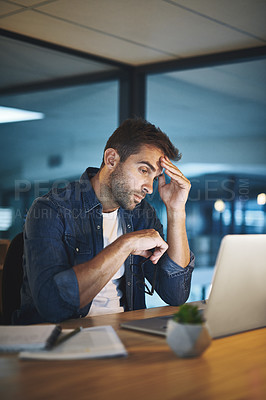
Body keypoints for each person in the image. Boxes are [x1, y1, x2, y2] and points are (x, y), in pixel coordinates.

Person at [13, 118, 194, 324]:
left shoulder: (141, 213)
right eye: (144, 170)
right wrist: (126, 244)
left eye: (154, 178)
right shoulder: (51, 209)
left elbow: (176, 294)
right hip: (63, 340)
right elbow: (53, 307)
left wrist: (176, 209)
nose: (149, 188)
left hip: (126, 334)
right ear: (111, 159)